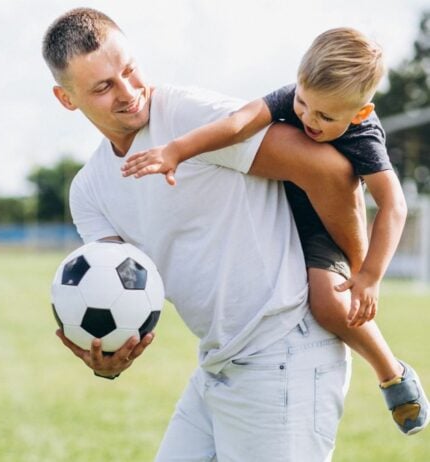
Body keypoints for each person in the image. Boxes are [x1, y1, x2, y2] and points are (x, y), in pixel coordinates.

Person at [43, 9, 368, 461]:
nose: (129, 92)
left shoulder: (185, 115)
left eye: (130, 70)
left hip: (286, 354)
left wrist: (361, 272)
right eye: (103, 87)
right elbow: (117, 284)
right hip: (218, 364)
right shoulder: (90, 190)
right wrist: (109, 355)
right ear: (67, 98)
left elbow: (329, 170)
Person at [121, 27, 430, 436]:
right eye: (303, 104)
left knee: (329, 303)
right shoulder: (292, 97)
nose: (308, 119)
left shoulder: (364, 134)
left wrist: (370, 276)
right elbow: (237, 123)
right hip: (272, 215)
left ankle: (391, 372)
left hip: (319, 231)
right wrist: (176, 150)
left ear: (358, 113)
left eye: (325, 116)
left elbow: (394, 205)